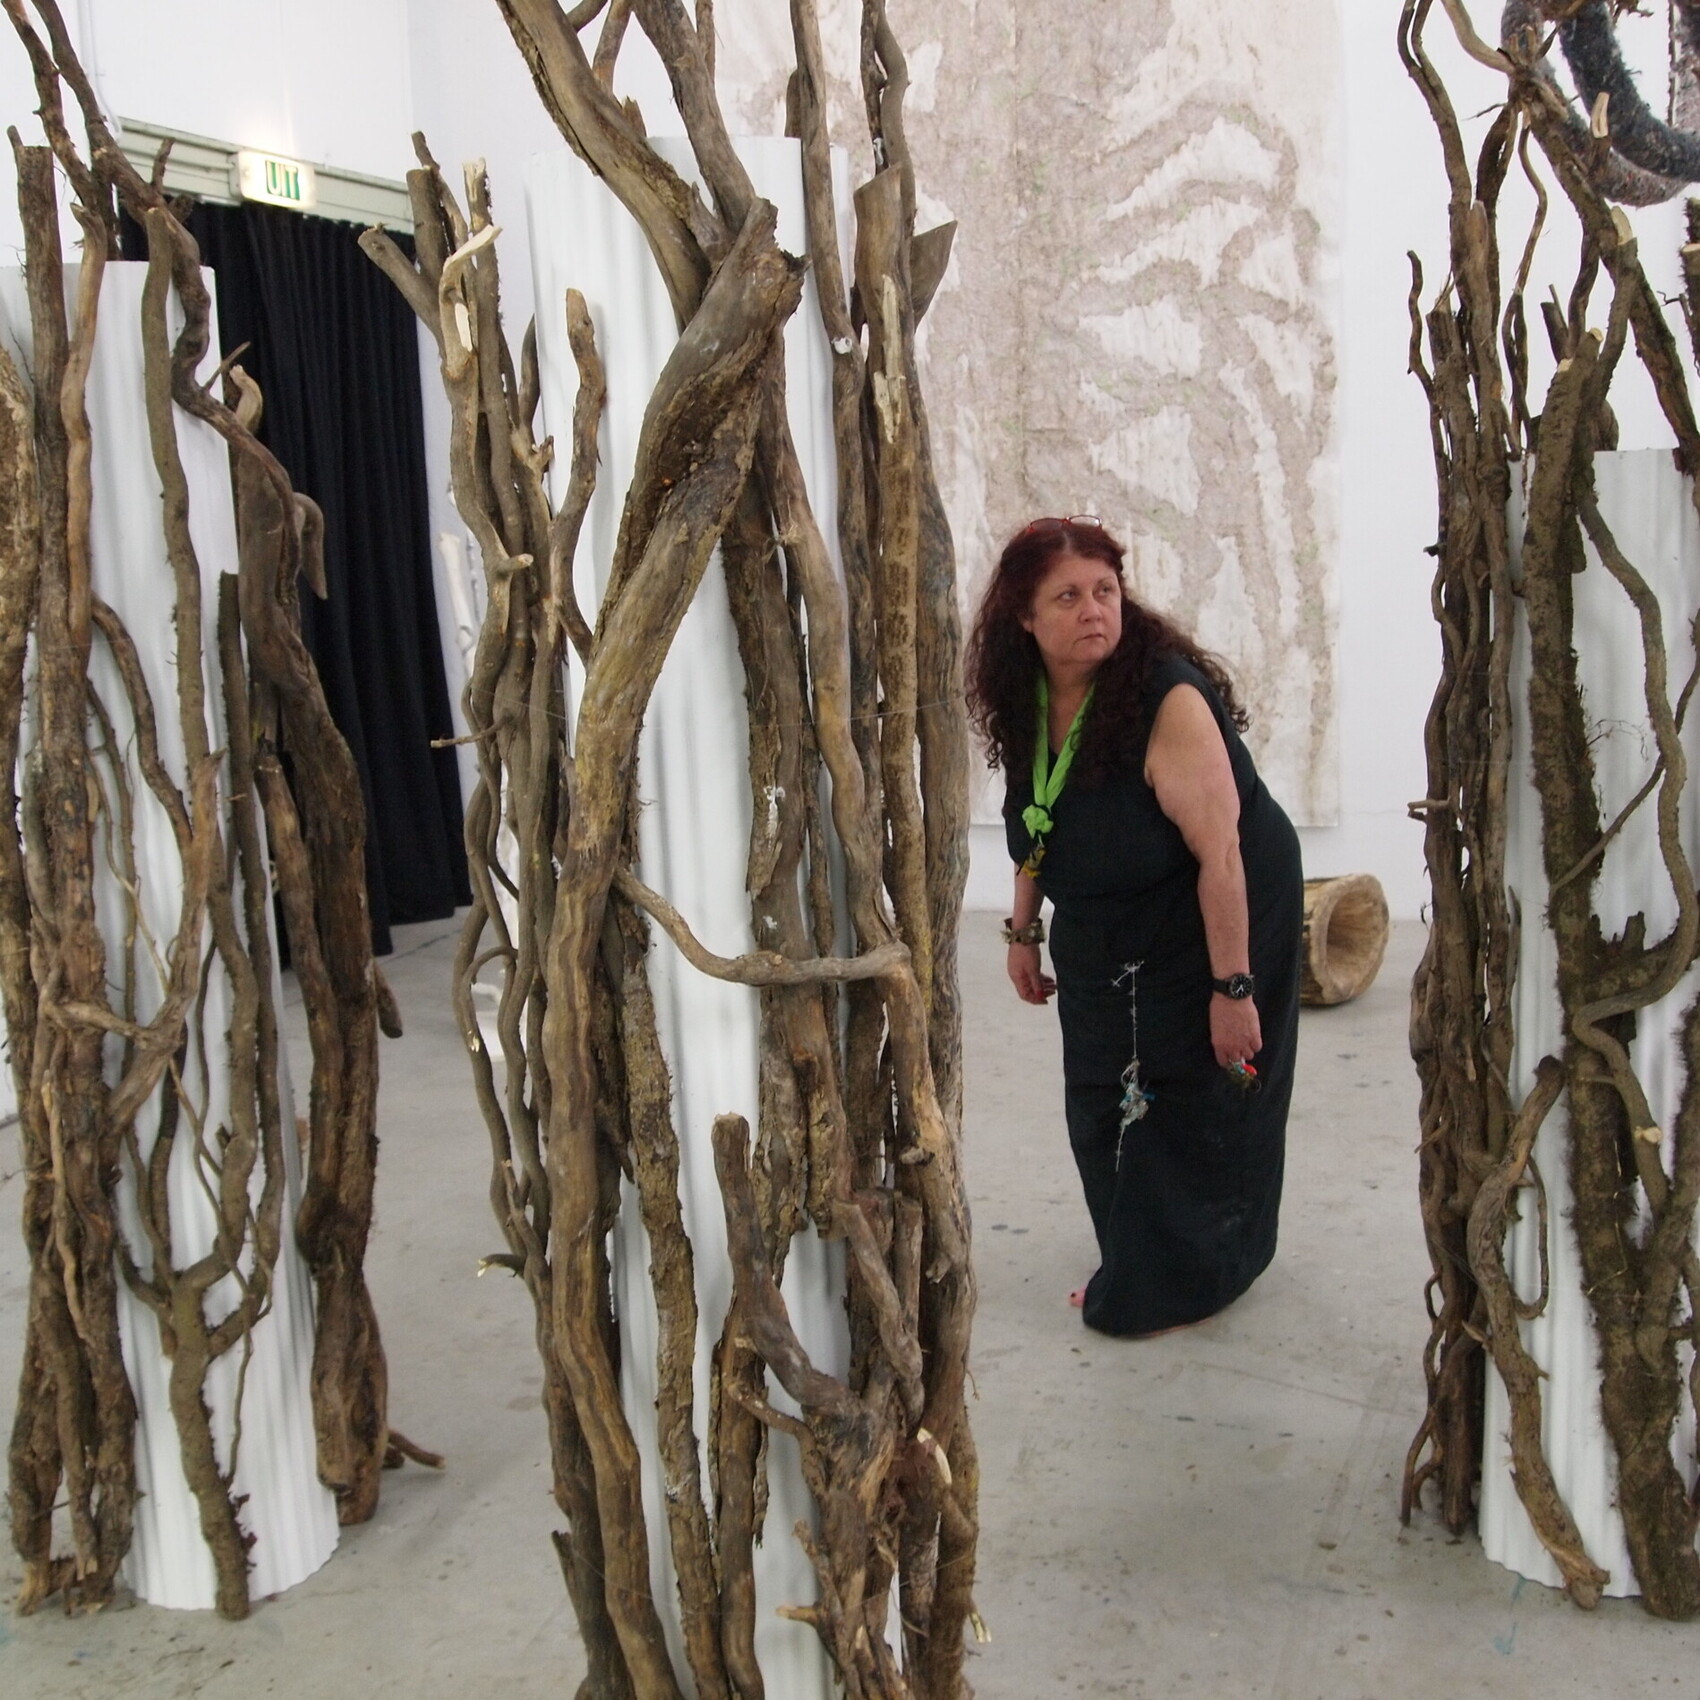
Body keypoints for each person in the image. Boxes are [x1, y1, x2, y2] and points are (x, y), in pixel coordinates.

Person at [966, 516, 1302, 1337]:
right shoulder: (1029, 697)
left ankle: (1195, 1275)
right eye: (1068, 597)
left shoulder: (1168, 701)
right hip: (1110, 910)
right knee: (1101, 1084)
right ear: (1024, 617)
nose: (1093, 610)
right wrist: (1022, 932)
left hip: (1218, 902)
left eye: (1106, 591)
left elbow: (1222, 857)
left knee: (1195, 1086)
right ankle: (1137, 1256)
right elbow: (1037, 819)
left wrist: (1234, 989)